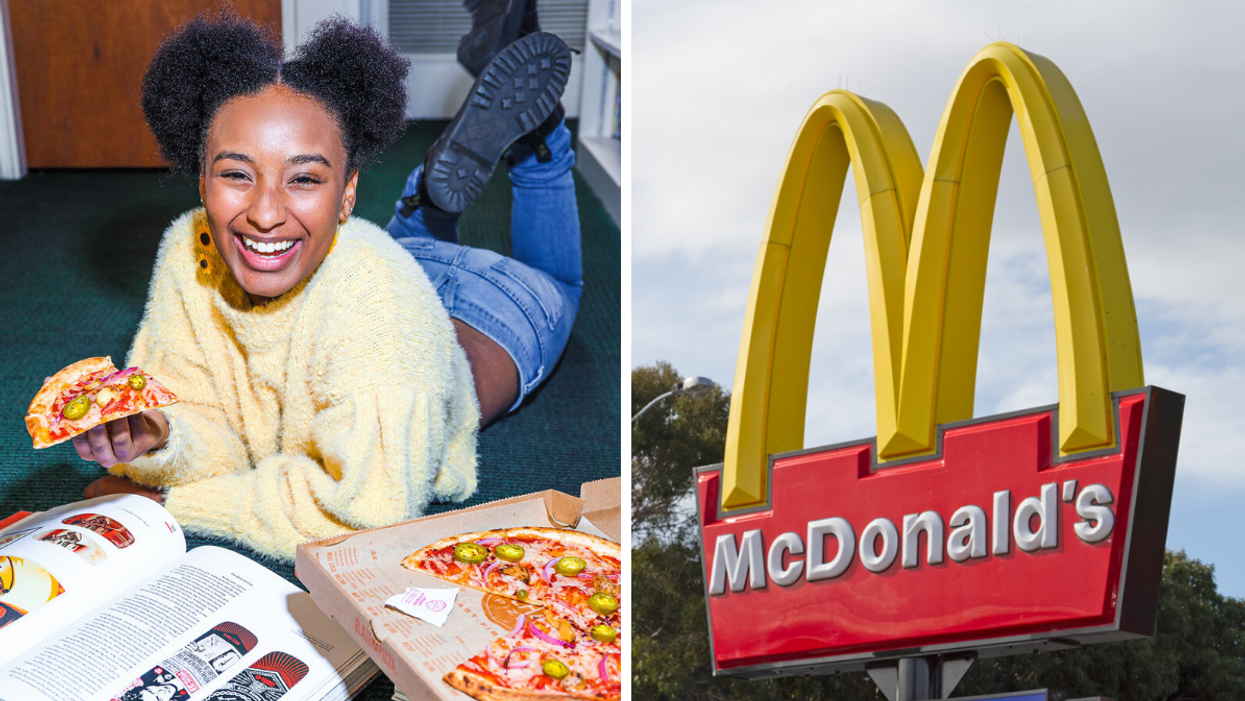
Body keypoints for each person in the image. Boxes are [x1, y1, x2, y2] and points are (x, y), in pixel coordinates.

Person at [71, 10, 583, 560]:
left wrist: (174, 500)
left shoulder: (380, 310)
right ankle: (425, 202)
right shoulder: (188, 249)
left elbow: (365, 511)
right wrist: (161, 432)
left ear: (347, 193)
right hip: (377, 256)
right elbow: (206, 415)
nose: (264, 214)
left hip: (501, 309)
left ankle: (540, 139)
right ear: (201, 179)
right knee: (368, 249)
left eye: (305, 178)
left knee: (564, 283)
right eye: (237, 174)